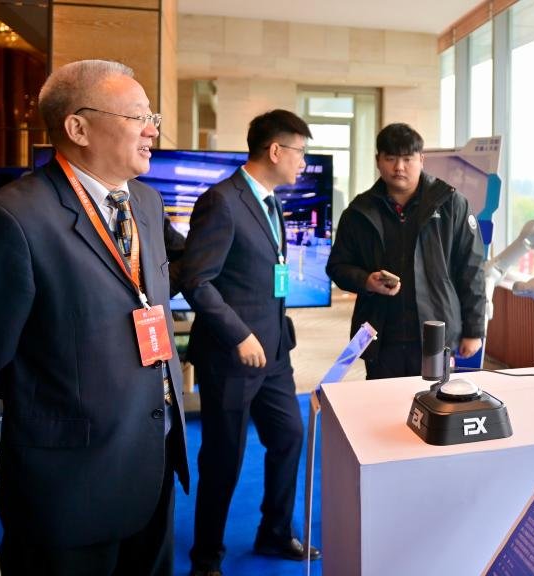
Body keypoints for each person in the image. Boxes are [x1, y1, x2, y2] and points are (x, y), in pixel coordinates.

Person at [0, 59, 188, 575]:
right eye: (137, 116)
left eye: (151, 116)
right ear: (78, 127)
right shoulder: (10, 219)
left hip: (151, 463)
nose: (152, 130)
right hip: (70, 483)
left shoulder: (146, 202)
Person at [180, 109, 316, 575]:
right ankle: (206, 557)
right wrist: (238, 333)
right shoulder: (222, 201)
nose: (303, 163)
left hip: (274, 353)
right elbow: (197, 281)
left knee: (289, 436)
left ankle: (274, 531)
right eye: (300, 152)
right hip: (231, 356)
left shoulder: (271, 201)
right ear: (275, 150)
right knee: (224, 456)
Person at [326, 123, 486, 378]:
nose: (399, 167)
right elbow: (337, 266)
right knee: (381, 398)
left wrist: (474, 330)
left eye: (407, 159)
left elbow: (472, 270)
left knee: (435, 396)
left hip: (436, 330)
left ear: (421, 159)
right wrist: (366, 281)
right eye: (390, 158)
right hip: (380, 333)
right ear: (378, 161)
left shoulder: (451, 205)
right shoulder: (359, 212)